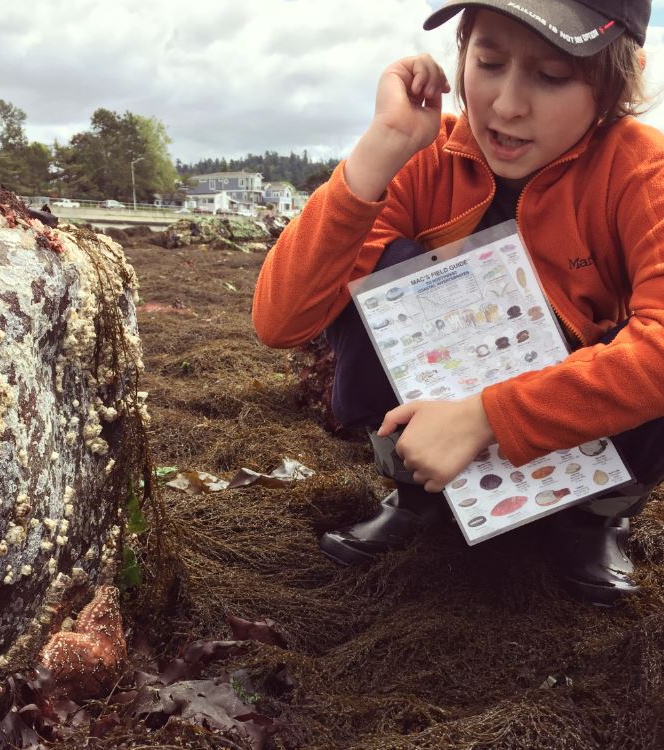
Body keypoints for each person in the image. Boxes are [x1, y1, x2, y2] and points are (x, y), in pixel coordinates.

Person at [252, 0, 664, 607]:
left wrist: (488, 416)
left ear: (614, 82)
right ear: (462, 51)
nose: (506, 104)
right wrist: (383, 147)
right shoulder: (425, 158)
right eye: (489, 62)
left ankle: (593, 519)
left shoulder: (641, 172)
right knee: (383, 270)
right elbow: (280, 320)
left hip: (575, 441)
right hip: (433, 439)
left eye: (551, 76)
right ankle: (419, 498)